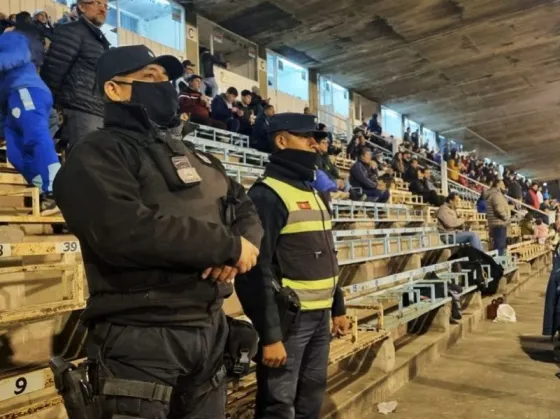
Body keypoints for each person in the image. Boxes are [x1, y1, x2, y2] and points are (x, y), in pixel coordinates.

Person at [52, 45, 264, 418]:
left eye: (165, 78)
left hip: (209, 328)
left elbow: (242, 205)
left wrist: (242, 245)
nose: (162, 85)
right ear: (114, 90)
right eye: (148, 78)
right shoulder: (96, 154)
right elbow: (124, 230)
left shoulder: (198, 156)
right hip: (141, 334)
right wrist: (222, 246)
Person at [235, 112, 349, 419]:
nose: (315, 143)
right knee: (279, 402)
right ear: (281, 141)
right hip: (290, 322)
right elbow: (254, 272)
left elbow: (328, 254)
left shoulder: (313, 192)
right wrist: (271, 336)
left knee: (311, 395)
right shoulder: (266, 195)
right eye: (305, 137)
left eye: (315, 137)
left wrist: (337, 307)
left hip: (320, 317)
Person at [0, 30, 61, 215]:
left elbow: (20, 55)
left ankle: (56, 192)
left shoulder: (9, 38)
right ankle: (43, 192)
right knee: (15, 155)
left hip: (26, 89)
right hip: (12, 101)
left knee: (35, 138)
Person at [41, 0, 110, 150]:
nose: (103, 9)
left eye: (105, 6)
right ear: (81, 7)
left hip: (96, 110)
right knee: (86, 164)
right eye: (97, 3)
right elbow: (54, 71)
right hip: (79, 110)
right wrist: (53, 106)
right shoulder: (71, 31)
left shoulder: (99, 40)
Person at [483, 179, 510, 256]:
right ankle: (499, 264)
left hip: (497, 223)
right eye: (503, 184)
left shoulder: (495, 194)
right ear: (498, 184)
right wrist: (507, 218)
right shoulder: (496, 194)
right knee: (500, 246)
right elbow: (499, 209)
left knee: (499, 245)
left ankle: (498, 263)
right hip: (499, 223)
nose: (504, 186)